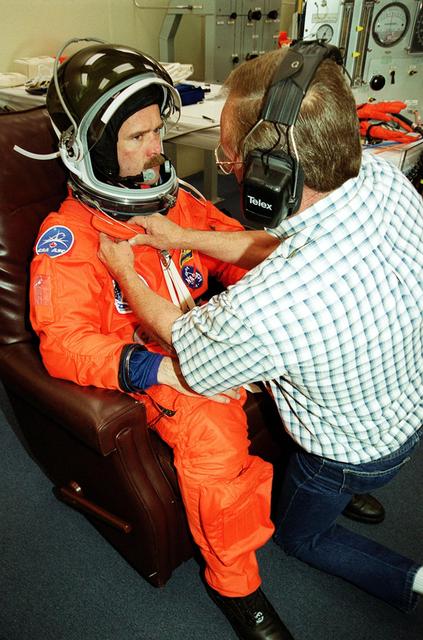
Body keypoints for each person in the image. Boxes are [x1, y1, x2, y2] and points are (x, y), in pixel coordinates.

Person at [98, 40, 423, 616]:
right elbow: (283, 245)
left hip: (349, 452)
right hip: (404, 406)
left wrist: (127, 274)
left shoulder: (271, 304)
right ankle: (349, 493)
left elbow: (190, 348)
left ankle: (409, 577)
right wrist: (185, 237)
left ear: (272, 177)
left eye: (230, 162)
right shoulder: (382, 179)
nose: (229, 170)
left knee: (301, 536)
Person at [29, 41, 296, 640]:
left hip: (200, 333)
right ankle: (236, 587)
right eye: (137, 137)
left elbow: (237, 253)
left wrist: (281, 297)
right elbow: (64, 342)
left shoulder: (178, 204)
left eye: (157, 131)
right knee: (212, 431)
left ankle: (318, 484)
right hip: (148, 367)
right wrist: (159, 371)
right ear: (93, 149)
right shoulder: (70, 240)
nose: (157, 149)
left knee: (302, 339)